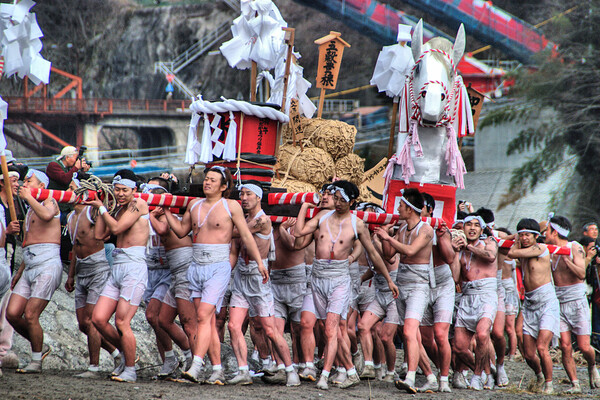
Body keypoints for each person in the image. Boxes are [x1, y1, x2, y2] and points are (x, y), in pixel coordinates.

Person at [162, 166, 263, 384]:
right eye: (206, 179)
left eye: (213, 180)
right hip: (196, 264)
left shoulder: (231, 205)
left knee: (203, 316)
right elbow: (181, 231)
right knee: (205, 321)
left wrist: (260, 262)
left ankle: (197, 366)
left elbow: (245, 235)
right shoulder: (194, 204)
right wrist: (166, 213)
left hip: (218, 265)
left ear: (224, 186)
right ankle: (217, 369)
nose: (207, 183)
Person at [295, 180, 398, 390]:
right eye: (336, 199)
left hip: (340, 278)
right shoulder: (322, 216)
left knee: (333, 329)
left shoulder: (357, 223)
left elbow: (374, 255)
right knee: (328, 329)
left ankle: (325, 374)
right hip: (318, 276)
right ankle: (350, 371)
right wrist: (304, 207)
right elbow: (298, 233)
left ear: (351, 202)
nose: (339, 203)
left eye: (343, 200)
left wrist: (388, 279)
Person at [228, 183, 300, 386]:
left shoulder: (262, 220)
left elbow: (235, 233)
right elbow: (234, 248)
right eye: (241, 194)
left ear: (258, 197)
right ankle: (243, 370)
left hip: (258, 278)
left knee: (270, 330)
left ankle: (290, 369)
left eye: (248, 194)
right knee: (233, 325)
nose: (243, 197)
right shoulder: (244, 219)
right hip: (242, 276)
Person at [87, 169, 149, 383]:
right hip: (118, 266)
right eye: (117, 189)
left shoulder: (138, 204)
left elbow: (117, 227)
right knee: (98, 318)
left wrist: (102, 208)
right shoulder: (117, 208)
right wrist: (102, 207)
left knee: (122, 321)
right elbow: (99, 235)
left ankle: (130, 369)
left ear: (134, 189)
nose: (120, 194)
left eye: (125, 190)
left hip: (134, 266)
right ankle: (127, 353)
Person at [375, 188, 434, 393]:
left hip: (418, 285)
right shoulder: (401, 229)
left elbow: (409, 251)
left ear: (409, 209)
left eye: (400, 205)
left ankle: (410, 377)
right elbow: (389, 256)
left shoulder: (426, 229)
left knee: (409, 331)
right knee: (413, 336)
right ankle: (430, 377)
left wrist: (389, 238)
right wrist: (386, 236)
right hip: (402, 284)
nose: (398, 209)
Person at [64, 174, 120, 378]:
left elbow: (109, 207)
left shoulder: (92, 212)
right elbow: (74, 248)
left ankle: (93, 367)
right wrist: (71, 276)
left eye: (72, 188)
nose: (68, 191)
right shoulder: (71, 217)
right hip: (81, 270)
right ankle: (117, 352)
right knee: (83, 323)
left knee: (92, 320)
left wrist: (99, 199)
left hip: (97, 268)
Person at [7, 169, 61, 373]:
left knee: (30, 314)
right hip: (29, 264)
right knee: (12, 314)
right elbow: (28, 240)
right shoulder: (31, 208)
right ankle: (40, 343)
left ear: (42, 186)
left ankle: (36, 361)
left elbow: (48, 215)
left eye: (30, 181)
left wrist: (29, 197)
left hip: (47, 263)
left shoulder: (50, 201)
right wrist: (20, 270)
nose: (25, 183)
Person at [545, 215, 600, 392]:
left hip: (577, 300)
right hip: (559, 301)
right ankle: (575, 383)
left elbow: (581, 274)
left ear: (554, 232)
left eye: (547, 230)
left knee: (584, 346)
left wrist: (567, 261)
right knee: (565, 345)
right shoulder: (548, 250)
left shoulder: (574, 247)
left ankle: (592, 366)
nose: (544, 233)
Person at [505, 218, 559, 394]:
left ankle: (549, 384)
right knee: (528, 353)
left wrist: (515, 241)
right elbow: (502, 239)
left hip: (546, 302)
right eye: (521, 235)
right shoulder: (524, 250)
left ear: (536, 236)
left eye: (528, 235)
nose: (524, 238)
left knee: (542, 347)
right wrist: (516, 237)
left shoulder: (540, 248)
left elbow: (511, 254)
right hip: (529, 302)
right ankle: (539, 375)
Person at [452, 214, 498, 391]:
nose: (472, 228)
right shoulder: (460, 249)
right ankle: (487, 371)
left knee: (482, 334)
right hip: (467, 295)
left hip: (486, 294)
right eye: (468, 225)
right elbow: (456, 277)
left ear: (481, 229)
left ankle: (477, 377)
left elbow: (490, 257)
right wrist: (456, 252)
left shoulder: (489, 242)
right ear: (462, 229)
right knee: (459, 347)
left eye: (476, 225)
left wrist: (469, 247)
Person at [270, 217, 307, 378]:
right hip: (275, 279)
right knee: (274, 328)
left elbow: (293, 245)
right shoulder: (267, 223)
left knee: (297, 329)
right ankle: (280, 365)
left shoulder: (297, 223)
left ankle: (300, 363)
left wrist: (283, 229)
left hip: (296, 279)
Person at [0, 166, 24, 370]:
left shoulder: (16, 205)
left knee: (6, 310)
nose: (17, 185)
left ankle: (3, 352)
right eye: (13, 181)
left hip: (9, 259)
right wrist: (6, 231)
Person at [46, 146, 90, 222]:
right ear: (67, 158)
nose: (76, 161)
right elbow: (65, 179)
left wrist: (82, 170)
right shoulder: (53, 165)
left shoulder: (69, 168)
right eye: (75, 158)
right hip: (57, 205)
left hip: (67, 206)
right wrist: (76, 167)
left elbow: (75, 181)